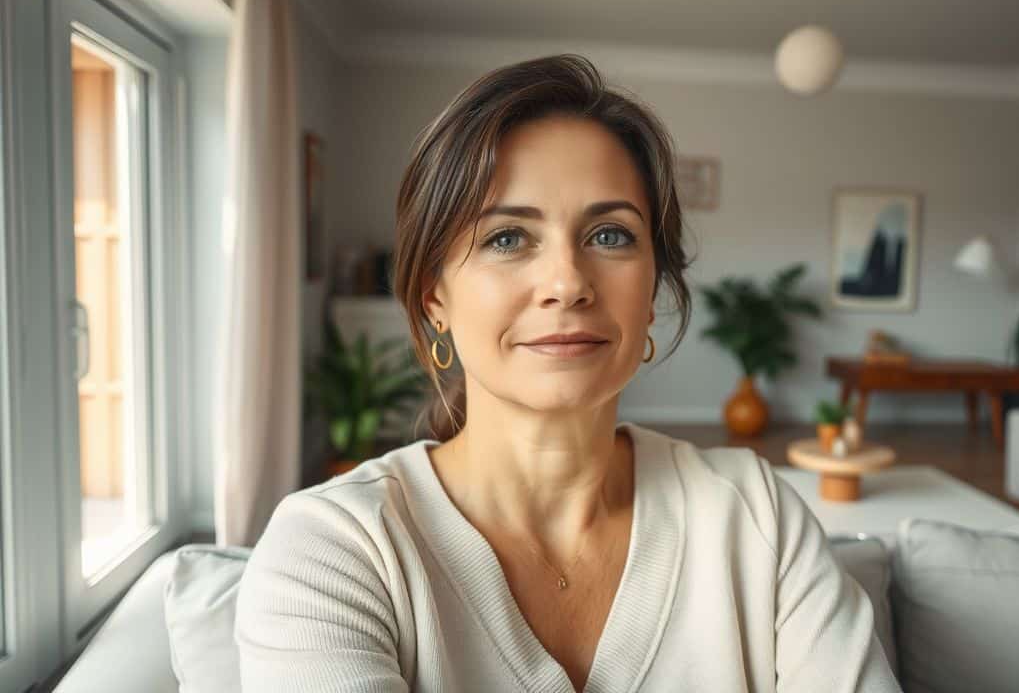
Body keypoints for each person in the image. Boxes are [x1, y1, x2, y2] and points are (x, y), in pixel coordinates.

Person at [235, 53, 899, 693]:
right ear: (435, 296)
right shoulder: (335, 550)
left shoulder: (756, 517)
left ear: (652, 293)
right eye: (507, 238)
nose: (567, 283)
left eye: (610, 235)